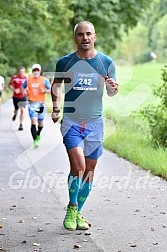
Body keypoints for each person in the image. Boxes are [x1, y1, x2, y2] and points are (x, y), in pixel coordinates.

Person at [51, 21, 118, 231]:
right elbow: (56, 85)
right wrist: (55, 108)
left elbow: (112, 91)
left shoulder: (105, 62)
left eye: (88, 34)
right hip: (72, 122)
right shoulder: (65, 62)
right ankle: (72, 207)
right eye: (80, 35)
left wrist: (113, 88)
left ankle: (79, 211)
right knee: (78, 167)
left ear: (94, 37)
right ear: (75, 38)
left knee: (89, 171)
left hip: (95, 124)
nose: (85, 38)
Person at [22, 64, 51, 148]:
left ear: (40, 71)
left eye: (37, 70)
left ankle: (38, 134)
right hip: (32, 103)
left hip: (41, 104)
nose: (36, 72)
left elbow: (50, 90)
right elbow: (22, 87)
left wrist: (45, 90)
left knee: (40, 123)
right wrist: (24, 92)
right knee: (33, 121)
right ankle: (35, 140)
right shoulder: (28, 80)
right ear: (32, 71)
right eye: (34, 70)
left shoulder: (44, 80)